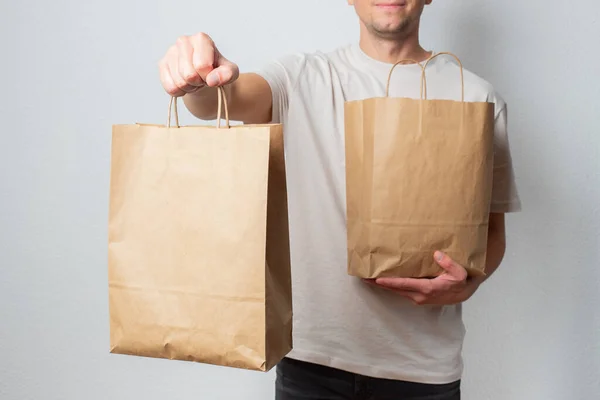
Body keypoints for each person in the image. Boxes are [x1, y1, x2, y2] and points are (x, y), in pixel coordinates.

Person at [158, 1, 521, 399]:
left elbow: (492, 233)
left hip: (423, 372)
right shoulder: (299, 78)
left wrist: (469, 284)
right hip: (309, 366)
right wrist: (198, 78)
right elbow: (220, 100)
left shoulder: (478, 97)